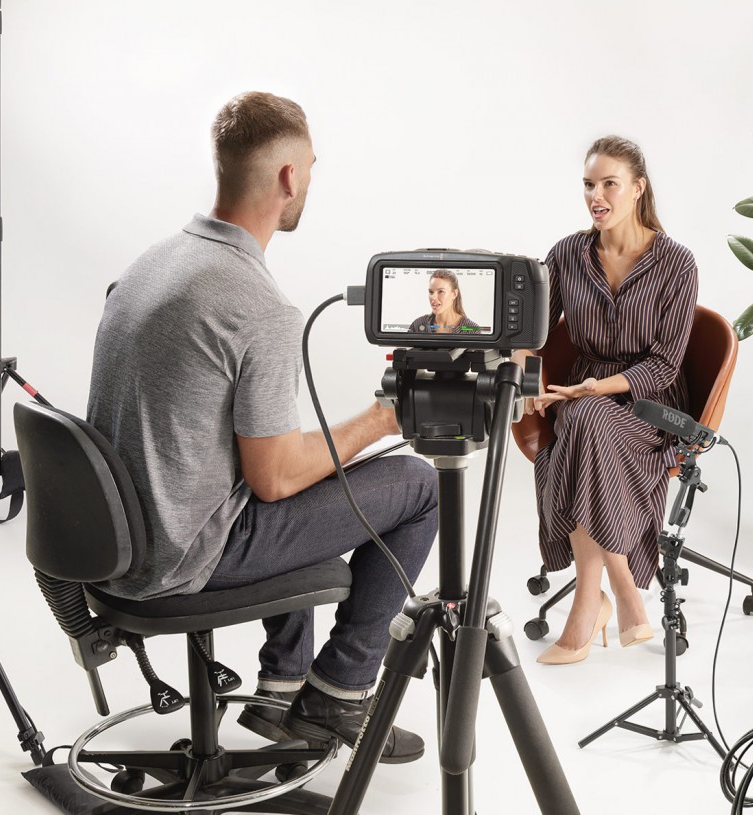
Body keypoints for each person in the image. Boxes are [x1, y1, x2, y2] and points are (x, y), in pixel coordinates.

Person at [87, 92, 436, 763]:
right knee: (418, 485)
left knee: (303, 466)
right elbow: (274, 480)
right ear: (287, 177)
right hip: (182, 556)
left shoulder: (152, 262)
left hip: (118, 544)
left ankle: (282, 689)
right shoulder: (258, 306)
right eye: (311, 167)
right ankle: (340, 690)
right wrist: (383, 419)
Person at [521, 135, 697, 665]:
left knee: (584, 420)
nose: (595, 196)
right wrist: (526, 374)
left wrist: (598, 388)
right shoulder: (567, 255)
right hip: (582, 399)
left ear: (638, 188)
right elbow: (530, 332)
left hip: (650, 405)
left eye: (609, 184)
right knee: (585, 420)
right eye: (588, 185)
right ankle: (618, 587)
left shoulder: (677, 263)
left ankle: (592, 602)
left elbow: (665, 366)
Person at [407, 269, 482, 334]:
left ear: (454, 294)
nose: (433, 297)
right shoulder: (418, 325)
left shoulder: (472, 330)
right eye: (431, 292)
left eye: (441, 291)